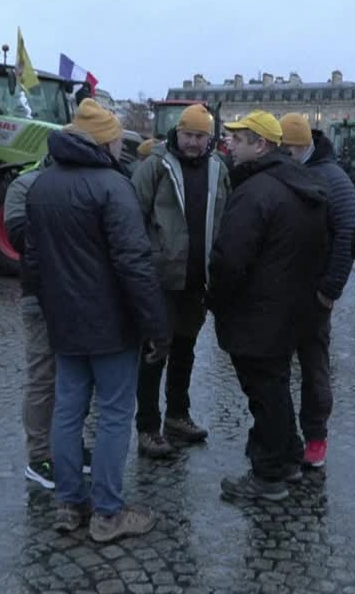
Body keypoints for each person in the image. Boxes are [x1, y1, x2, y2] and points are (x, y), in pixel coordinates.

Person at [23, 98, 167, 541]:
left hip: (64, 320)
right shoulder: (112, 186)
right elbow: (134, 262)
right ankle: (107, 512)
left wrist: (51, 307)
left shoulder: (41, 185)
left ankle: (69, 504)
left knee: (68, 410)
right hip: (111, 323)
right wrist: (155, 326)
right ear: (106, 143)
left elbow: (32, 262)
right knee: (114, 414)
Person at [208, 111, 328, 502]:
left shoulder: (256, 191)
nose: (229, 145)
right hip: (290, 308)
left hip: (256, 311)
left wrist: (216, 300)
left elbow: (230, 260)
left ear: (261, 145)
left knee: (265, 393)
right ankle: (289, 457)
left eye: (238, 139)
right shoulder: (300, 183)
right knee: (274, 386)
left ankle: (268, 474)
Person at [131, 104, 229, 459]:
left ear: (209, 138)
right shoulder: (155, 166)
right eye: (188, 134)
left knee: (185, 348)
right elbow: (133, 215)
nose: (193, 142)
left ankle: (177, 415)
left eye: (200, 136)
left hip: (197, 278)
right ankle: (148, 427)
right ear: (178, 132)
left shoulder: (218, 168)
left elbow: (225, 216)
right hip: (160, 277)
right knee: (155, 351)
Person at [278, 113, 355, 469]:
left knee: (314, 367)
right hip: (279, 287)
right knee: (274, 367)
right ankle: (280, 435)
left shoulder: (334, 179)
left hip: (313, 291)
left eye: (288, 149)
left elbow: (347, 234)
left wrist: (330, 289)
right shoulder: (281, 172)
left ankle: (315, 436)